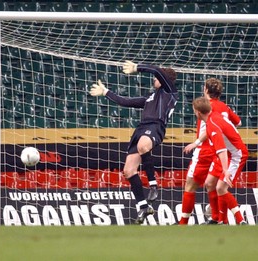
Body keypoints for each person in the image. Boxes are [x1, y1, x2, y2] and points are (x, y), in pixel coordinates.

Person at [90, 60, 178, 224]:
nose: (154, 80)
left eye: (157, 79)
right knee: (128, 171)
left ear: (164, 79)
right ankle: (143, 207)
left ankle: (153, 186)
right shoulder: (150, 98)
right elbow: (126, 102)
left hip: (155, 126)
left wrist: (137, 68)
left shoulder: (169, 91)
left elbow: (156, 70)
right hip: (140, 129)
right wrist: (106, 92)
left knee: (143, 146)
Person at [179, 78, 241, 225]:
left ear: (206, 90)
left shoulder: (205, 107)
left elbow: (210, 128)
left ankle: (183, 222)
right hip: (219, 150)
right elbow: (238, 122)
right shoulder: (224, 107)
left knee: (190, 184)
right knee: (211, 184)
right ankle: (217, 218)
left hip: (205, 150)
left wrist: (196, 142)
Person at [192, 97, 247, 225]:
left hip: (236, 155)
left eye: (194, 111)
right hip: (228, 153)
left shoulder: (212, 125)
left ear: (198, 113)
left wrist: (226, 170)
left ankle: (240, 220)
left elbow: (221, 149)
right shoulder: (214, 117)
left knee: (221, 187)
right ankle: (220, 220)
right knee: (210, 183)